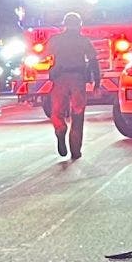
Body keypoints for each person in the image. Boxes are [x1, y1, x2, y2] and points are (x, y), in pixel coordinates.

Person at [40, 11, 100, 161]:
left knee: (57, 111)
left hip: (60, 79)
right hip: (78, 80)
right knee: (78, 113)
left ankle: (60, 130)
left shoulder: (56, 40)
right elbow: (93, 61)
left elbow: (44, 56)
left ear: (64, 25)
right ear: (79, 25)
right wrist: (96, 81)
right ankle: (75, 150)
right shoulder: (83, 41)